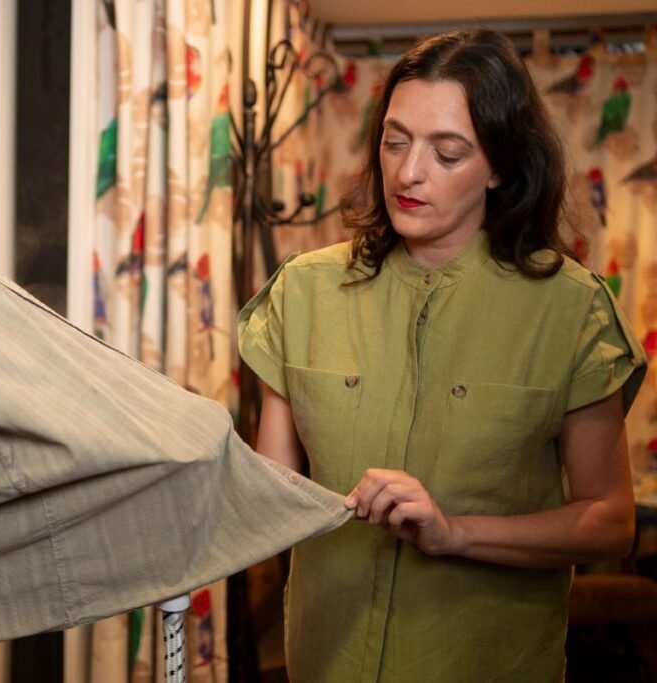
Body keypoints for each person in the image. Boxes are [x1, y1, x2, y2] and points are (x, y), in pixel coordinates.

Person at [238, 29, 646, 682]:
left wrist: (453, 531)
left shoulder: (572, 311)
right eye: (395, 141)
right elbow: (266, 493)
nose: (408, 172)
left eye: (447, 151)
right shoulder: (304, 292)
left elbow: (607, 522)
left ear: (501, 167)